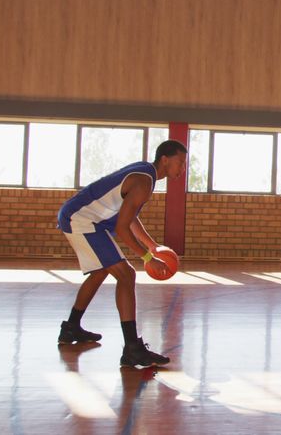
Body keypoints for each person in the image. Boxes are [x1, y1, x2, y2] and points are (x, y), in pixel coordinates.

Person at [56, 139, 188, 369]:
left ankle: (71, 327)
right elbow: (122, 228)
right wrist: (148, 258)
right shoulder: (144, 182)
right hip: (81, 219)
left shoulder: (145, 174)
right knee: (126, 275)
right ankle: (132, 349)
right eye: (181, 162)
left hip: (88, 219)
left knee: (100, 272)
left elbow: (130, 216)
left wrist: (152, 246)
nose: (183, 168)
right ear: (165, 160)